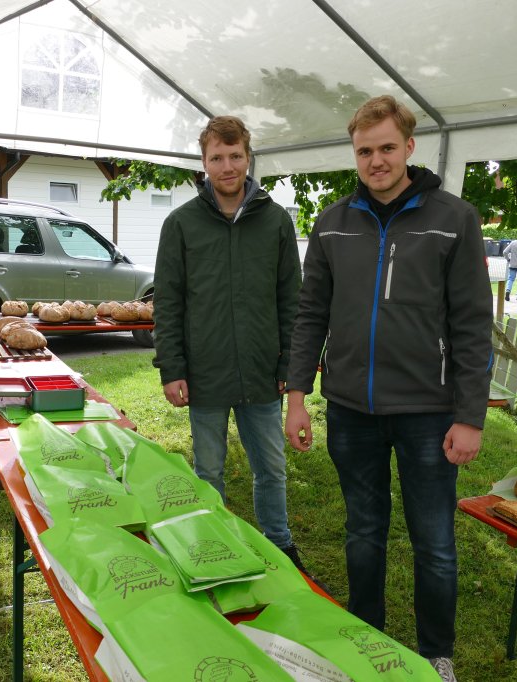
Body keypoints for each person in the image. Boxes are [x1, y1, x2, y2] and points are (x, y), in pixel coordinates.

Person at [284, 95, 493, 682]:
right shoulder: (332, 222)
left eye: (386, 148)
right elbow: (310, 316)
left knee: (434, 541)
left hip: (430, 412)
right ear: (354, 154)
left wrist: (470, 416)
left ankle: (436, 655)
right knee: (363, 531)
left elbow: (473, 324)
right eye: (364, 151)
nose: (376, 161)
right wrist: (297, 398)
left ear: (409, 147)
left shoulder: (454, 218)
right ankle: (367, 639)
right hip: (351, 410)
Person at [152, 115, 308, 569]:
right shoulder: (181, 224)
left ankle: (280, 545)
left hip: (262, 372)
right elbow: (168, 303)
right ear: (203, 163)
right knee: (208, 471)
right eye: (217, 158)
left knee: (271, 469)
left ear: (248, 157)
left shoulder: (275, 221)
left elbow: (291, 300)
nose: (227, 166)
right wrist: (172, 368)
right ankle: (213, 547)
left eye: (235, 156)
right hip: (205, 373)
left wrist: (289, 367)